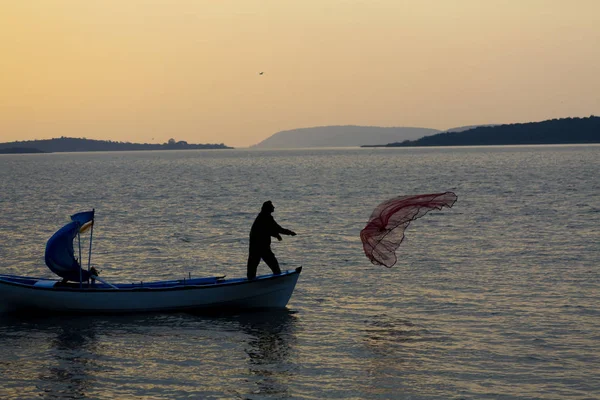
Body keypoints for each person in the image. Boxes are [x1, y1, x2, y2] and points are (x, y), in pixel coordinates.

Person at [247, 201, 296, 280]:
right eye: (272, 206)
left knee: (252, 268)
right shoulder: (266, 217)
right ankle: (279, 280)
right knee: (273, 264)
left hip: (255, 246)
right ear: (268, 208)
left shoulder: (261, 217)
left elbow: (266, 229)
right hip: (262, 247)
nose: (274, 207)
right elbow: (277, 228)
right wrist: (290, 233)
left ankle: (250, 282)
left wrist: (276, 235)